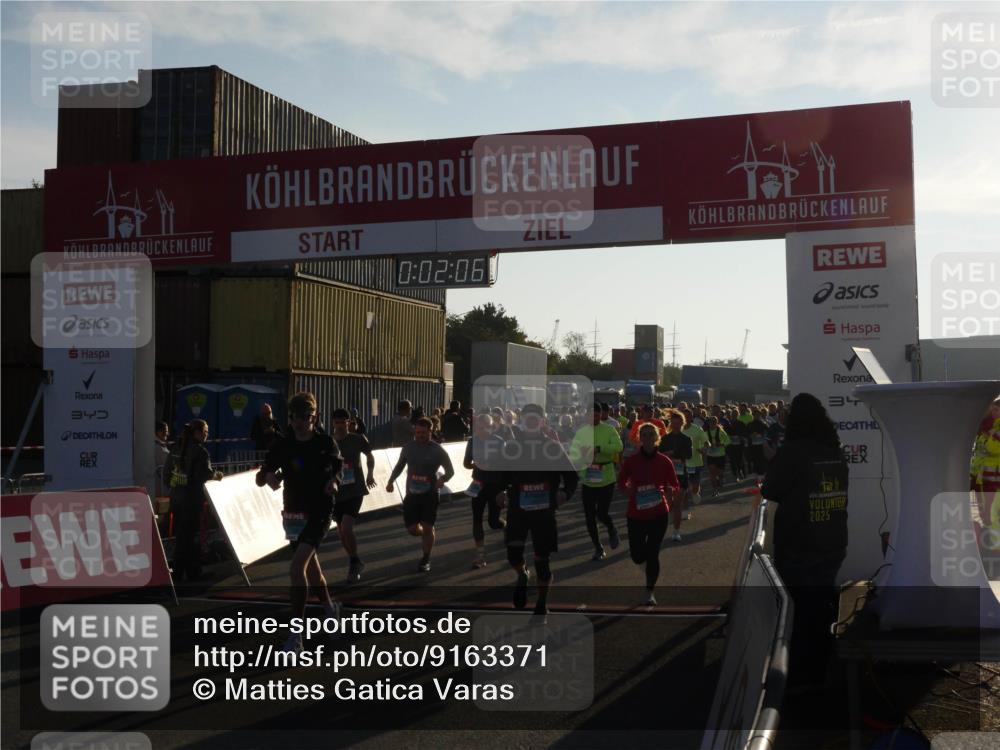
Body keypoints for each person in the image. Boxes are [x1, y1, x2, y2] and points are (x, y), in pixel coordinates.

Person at [761, 392, 849, 688]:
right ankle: (823, 670)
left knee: (798, 614)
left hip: (799, 542)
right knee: (821, 606)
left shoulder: (792, 452)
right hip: (833, 539)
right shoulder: (835, 450)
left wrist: (773, 460)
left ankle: (801, 680)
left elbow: (770, 490)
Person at [257, 392, 343, 652]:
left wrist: (334, 482)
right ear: (291, 418)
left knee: (296, 569)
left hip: (319, 510)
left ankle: (296, 637)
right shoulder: (283, 445)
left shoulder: (325, 442)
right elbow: (261, 475)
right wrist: (269, 477)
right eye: (296, 417)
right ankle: (330, 608)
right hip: (294, 513)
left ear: (314, 417)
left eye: (306, 417)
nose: (300, 422)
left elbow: (338, 469)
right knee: (312, 569)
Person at [496, 403, 579, 622]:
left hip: (544, 512)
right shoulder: (512, 447)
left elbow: (571, 477)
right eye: (528, 418)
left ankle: (542, 605)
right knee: (514, 554)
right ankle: (522, 573)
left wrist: (565, 492)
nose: (531, 422)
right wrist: (500, 492)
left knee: (542, 561)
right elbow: (501, 477)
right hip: (518, 510)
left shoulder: (553, 447)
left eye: (535, 418)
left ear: (542, 422)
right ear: (522, 421)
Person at [618, 423, 680, 605]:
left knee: (653, 553)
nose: (647, 437)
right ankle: (647, 567)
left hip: (658, 513)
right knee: (637, 556)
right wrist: (627, 490)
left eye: (650, 434)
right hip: (636, 514)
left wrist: (671, 491)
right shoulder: (631, 461)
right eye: (643, 434)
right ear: (639, 438)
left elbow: (674, 484)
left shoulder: (664, 461)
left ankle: (649, 591)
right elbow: (621, 482)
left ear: (656, 438)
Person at [386, 417, 455, 572]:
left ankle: (426, 558)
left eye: (423, 433)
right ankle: (427, 533)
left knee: (427, 526)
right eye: (417, 432)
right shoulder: (408, 447)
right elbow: (399, 465)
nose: (420, 435)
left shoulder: (438, 450)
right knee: (412, 530)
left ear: (430, 432)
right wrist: (390, 481)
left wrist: (443, 479)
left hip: (430, 494)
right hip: (412, 493)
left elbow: (450, 471)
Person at [169, 419, 223, 581]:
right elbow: (203, 475)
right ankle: (180, 574)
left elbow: (166, 472)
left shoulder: (176, 448)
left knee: (183, 537)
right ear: (197, 433)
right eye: (205, 432)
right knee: (188, 537)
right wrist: (216, 475)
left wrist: (175, 486)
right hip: (191, 501)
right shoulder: (200, 452)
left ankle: (190, 572)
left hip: (176, 499)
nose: (207, 435)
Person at [569, 402, 624, 560]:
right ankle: (598, 547)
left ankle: (612, 529)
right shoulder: (581, 432)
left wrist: (599, 448)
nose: (594, 418)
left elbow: (619, 446)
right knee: (589, 516)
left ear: (601, 415)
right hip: (588, 479)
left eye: (597, 415)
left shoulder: (609, 429)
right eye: (591, 415)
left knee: (602, 513)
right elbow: (573, 453)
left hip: (606, 478)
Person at [331, 408, 377, 582]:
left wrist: (370, 474)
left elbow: (370, 456)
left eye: (343, 422)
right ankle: (355, 560)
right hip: (337, 492)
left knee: (346, 528)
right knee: (342, 533)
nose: (340, 426)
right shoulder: (329, 442)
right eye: (337, 422)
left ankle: (353, 563)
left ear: (348, 422)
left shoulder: (358, 439)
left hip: (355, 489)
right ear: (333, 423)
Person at [464, 414, 507, 568]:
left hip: (495, 486)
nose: (483, 430)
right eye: (480, 427)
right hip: (478, 484)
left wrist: (505, 488)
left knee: (493, 522)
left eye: (486, 427)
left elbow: (507, 466)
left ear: (492, 427)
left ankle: (505, 525)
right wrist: (476, 465)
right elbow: (466, 463)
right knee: (477, 519)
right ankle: (480, 556)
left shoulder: (500, 442)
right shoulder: (472, 442)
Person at [659, 411, 693, 540]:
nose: (675, 425)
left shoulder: (686, 439)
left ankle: (676, 532)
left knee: (677, 504)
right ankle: (668, 521)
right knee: (669, 504)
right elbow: (659, 453)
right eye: (673, 423)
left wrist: (674, 454)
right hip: (667, 475)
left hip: (681, 474)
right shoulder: (665, 438)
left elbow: (689, 455)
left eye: (678, 423)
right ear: (670, 424)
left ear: (682, 423)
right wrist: (667, 455)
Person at [682, 409, 710, 509]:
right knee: (683, 488)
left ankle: (695, 492)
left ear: (691, 417)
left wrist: (704, 449)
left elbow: (706, 443)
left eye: (688, 416)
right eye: (684, 416)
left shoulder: (697, 429)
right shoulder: (677, 429)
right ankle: (685, 510)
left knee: (694, 487)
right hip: (682, 463)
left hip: (696, 462)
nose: (686, 418)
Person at [704, 416, 730, 497]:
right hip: (710, 455)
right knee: (712, 473)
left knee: (720, 473)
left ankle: (720, 478)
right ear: (709, 423)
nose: (712, 423)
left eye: (714, 422)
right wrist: (706, 446)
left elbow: (728, 441)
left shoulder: (720, 431)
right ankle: (715, 490)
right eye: (711, 422)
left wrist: (721, 444)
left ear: (716, 423)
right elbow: (702, 443)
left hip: (720, 455)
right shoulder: (705, 433)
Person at [153, 421, 171, 499]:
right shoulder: (158, 448)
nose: (168, 434)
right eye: (166, 431)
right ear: (159, 432)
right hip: (161, 489)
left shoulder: (157, 445)